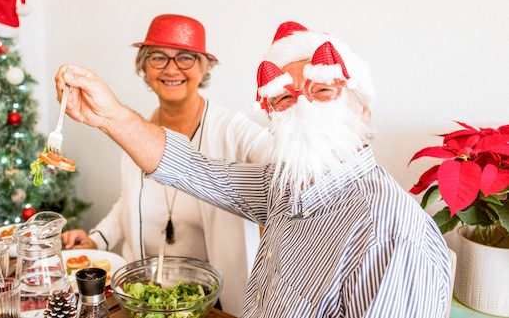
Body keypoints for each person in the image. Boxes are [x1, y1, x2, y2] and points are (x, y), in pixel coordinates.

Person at [54, 21, 452, 318]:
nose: (302, 106)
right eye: (282, 97)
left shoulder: (390, 234)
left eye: (323, 90)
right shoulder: (284, 185)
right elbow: (192, 168)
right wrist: (109, 117)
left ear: (362, 106)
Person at [60, 14, 272, 316]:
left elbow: (285, 166)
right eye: (158, 57)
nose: (171, 69)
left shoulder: (234, 129)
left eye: (185, 58)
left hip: (213, 304)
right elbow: (127, 201)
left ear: (204, 66)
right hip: (144, 297)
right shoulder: (138, 130)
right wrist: (97, 238)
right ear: (144, 67)